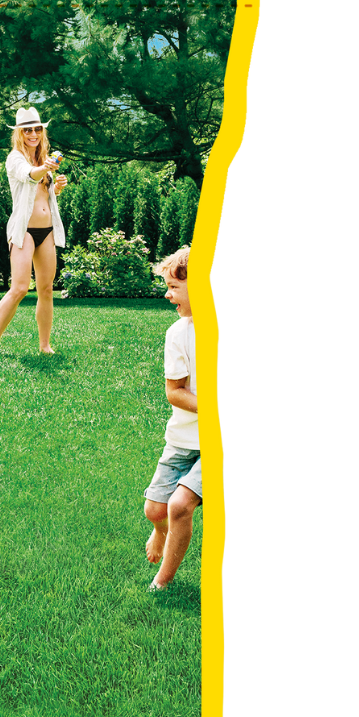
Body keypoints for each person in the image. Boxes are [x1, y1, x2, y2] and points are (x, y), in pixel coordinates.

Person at [144, 246, 202, 590]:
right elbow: (175, 392)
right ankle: (160, 531)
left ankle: (162, 583)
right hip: (182, 438)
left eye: (174, 287)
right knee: (156, 510)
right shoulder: (178, 334)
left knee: (179, 505)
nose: (167, 295)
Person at [0, 107, 68, 356]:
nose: (33, 134)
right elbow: (30, 176)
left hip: (46, 231)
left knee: (46, 289)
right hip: (24, 230)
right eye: (27, 130)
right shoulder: (15, 158)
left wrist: (57, 188)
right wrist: (45, 168)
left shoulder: (43, 158)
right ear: (19, 133)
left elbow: (42, 194)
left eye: (37, 129)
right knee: (20, 288)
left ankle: (45, 345)